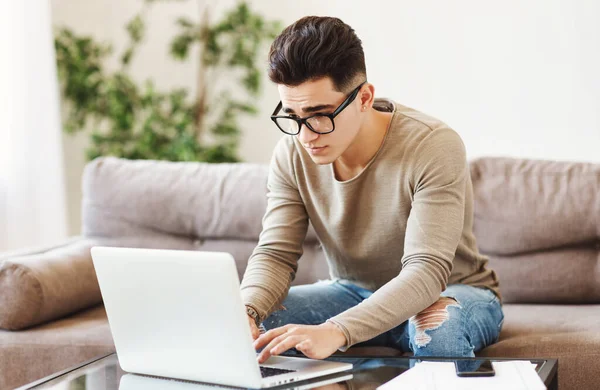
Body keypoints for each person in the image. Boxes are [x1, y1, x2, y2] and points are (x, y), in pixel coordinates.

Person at [240, 16, 503, 365]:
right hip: (350, 292)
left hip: (447, 293)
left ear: (364, 98)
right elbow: (275, 254)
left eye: (320, 114)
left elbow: (425, 272)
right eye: (293, 115)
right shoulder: (291, 153)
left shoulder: (433, 145)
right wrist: (246, 311)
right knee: (253, 330)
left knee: (439, 327)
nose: (305, 136)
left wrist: (338, 329)